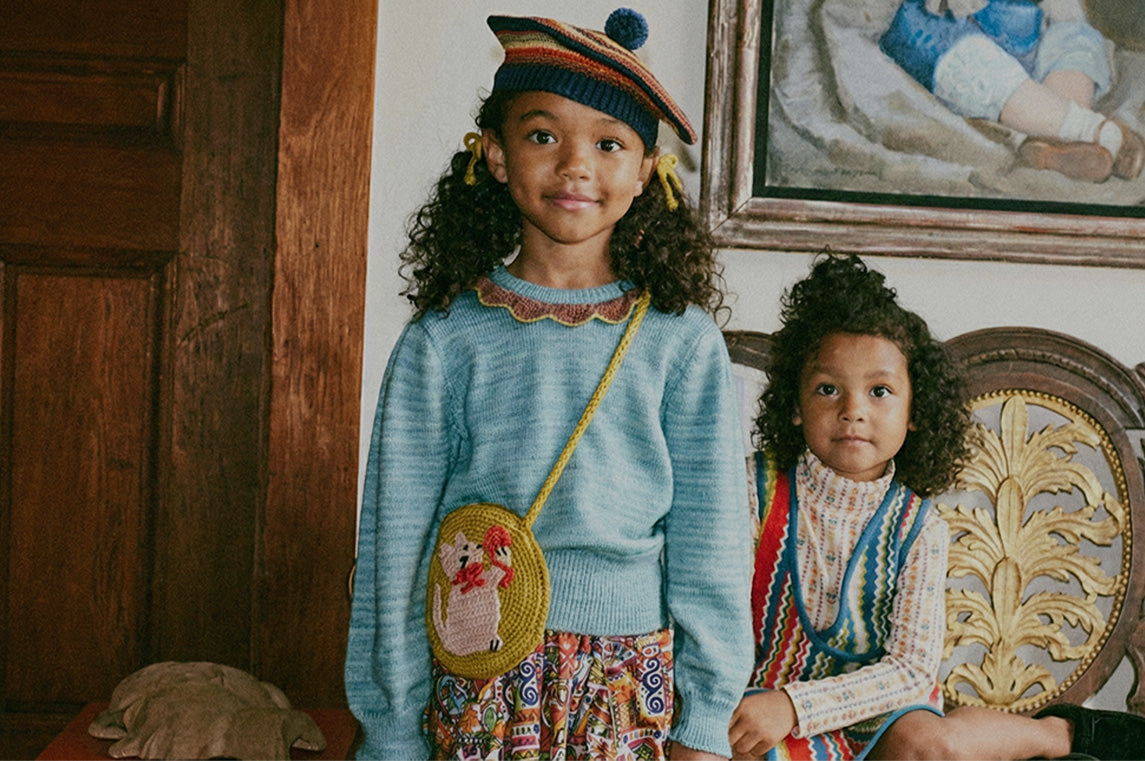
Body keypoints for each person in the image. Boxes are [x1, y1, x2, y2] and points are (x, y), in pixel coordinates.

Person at [344, 9, 753, 761]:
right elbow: (394, 551)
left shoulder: (681, 340)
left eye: (608, 143)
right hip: (476, 678)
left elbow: (714, 547)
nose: (575, 165)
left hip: (627, 691)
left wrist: (703, 723)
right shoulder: (443, 339)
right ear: (495, 155)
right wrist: (392, 729)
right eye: (542, 136)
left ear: (646, 171)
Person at [729, 254, 1145, 760]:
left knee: (932, 745)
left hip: (879, 710)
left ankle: (1060, 735)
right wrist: (765, 707)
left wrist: (798, 706)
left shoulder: (916, 526)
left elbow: (910, 670)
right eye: (828, 389)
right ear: (795, 406)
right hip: (764, 702)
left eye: (880, 391)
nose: (853, 410)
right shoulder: (751, 491)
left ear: (914, 412)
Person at [879, 0, 1145, 183]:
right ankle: (1094, 130)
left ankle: (1052, 144)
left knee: (1077, 39)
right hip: (947, 28)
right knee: (977, 63)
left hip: (1031, 29)